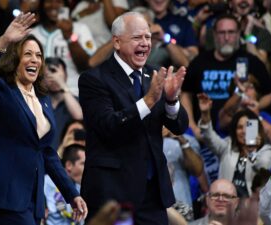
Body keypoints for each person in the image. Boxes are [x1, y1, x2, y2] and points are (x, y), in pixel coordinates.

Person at [0, 12, 87, 225]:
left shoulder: (43, 98)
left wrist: (72, 194)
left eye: (39, 55)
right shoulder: (0, 90)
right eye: (28, 54)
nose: (35, 60)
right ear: (15, 59)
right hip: (5, 194)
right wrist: (3, 41)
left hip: (33, 198)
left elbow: (47, 153)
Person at [78, 11, 188, 225]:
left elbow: (180, 125)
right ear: (117, 42)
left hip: (152, 194)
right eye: (137, 38)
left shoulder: (155, 76)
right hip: (112, 194)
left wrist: (171, 100)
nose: (145, 44)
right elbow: (108, 125)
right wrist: (148, 101)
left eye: (148, 37)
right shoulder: (94, 79)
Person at [197, 93, 271, 197]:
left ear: (256, 129)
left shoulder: (266, 150)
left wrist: (251, 151)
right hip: (226, 203)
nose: (243, 131)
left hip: (250, 207)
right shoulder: (227, 146)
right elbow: (209, 136)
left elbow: (262, 166)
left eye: (248, 127)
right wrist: (205, 113)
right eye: (239, 127)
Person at [45, 144, 86, 225]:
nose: (86, 168)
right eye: (83, 163)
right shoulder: (46, 182)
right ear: (69, 165)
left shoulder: (81, 188)